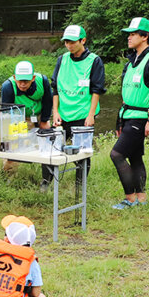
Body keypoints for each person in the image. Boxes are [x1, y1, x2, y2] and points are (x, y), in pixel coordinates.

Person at [110, 17, 149, 210]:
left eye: (133, 34)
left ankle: (130, 199)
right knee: (134, 157)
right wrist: (119, 121)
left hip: (141, 117)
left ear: (145, 37)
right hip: (127, 115)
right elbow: (127, 93)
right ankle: (141, 199)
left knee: (117, 154)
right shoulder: (132, 59)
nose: (129, 37)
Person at [51, 25, 105, 188]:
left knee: (82, 153)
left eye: (73, 42)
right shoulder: (62, 59)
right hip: (63, 113)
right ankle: (46, 183)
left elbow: (97, 90)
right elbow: (55, 88)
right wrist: (55, 112)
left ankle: (79, 186)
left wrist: (90, 115)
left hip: (83, 113)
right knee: (52, 149)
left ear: (83, 40)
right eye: (66, 42)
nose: (69, 45)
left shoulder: (94, 61)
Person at [1, 60, 53, 180]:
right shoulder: (8, 87)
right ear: (14, 77)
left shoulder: (43, 81)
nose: (22, 84)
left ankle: (47, 179)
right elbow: (6, 114)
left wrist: (44, 120)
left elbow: (48, 101)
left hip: (39, 114)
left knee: (46, 146)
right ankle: (9, 177)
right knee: (14, 148)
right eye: (19, 81)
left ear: (33, 78)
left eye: (26, 81)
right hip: (18, 118)